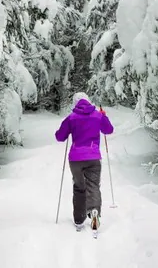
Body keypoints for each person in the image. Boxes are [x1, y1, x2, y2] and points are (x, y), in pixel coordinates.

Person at [55, 92, 114, 231]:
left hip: (75, 159)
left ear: (75, 103)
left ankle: (79, 219)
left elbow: (60, 137)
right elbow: (109, 130)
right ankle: (94, 212)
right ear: (88, 101)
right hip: (93, 157)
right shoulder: (97, 115)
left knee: (79, 187)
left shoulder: (71, 118)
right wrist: (104, 116)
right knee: (93, 186)